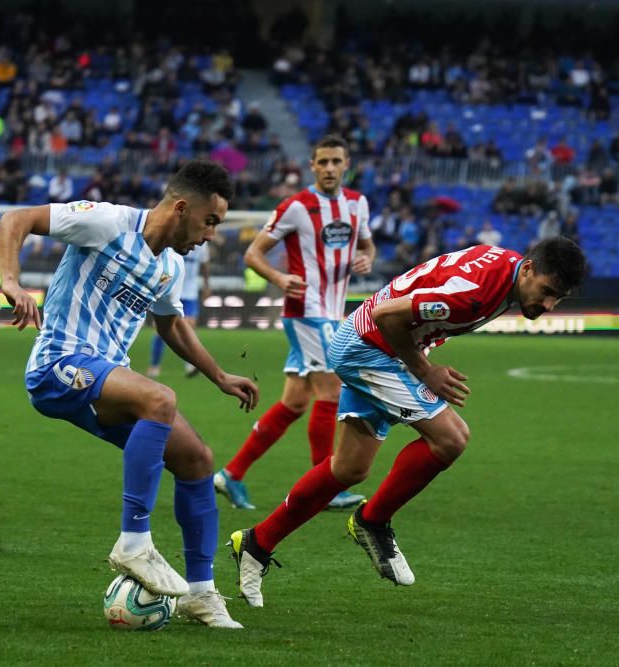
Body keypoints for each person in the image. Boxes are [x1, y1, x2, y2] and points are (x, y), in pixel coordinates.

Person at [228, 237, 586, 607]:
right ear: (527, 268)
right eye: (546, 292)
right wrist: (425, 370)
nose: (547, 305)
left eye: (557, 298)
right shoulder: (476, 292)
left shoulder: (506, 267)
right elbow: (388, 316)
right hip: (370, 349)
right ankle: (372, 521)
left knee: (349, 468)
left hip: (373, 340)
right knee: (451, 438)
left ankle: (256, 542)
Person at [0, 160, 259, 629]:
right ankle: (134, 541)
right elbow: (16, 219)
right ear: (181, 208)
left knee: (197, 458)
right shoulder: (106, 221)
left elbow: (171, 323)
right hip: (58, 364)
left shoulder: (171, 265)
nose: (212, 234)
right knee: (159, 399)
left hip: (106, 378)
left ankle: (200, 593)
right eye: (210, 221)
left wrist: (219, 375)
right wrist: (11, 280)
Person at [214, 135, 376, 511]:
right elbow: (253, 254)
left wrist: (366, 258)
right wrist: (280, 279)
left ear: (346, 164)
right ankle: (326, 485)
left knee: (296, 401)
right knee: (331, 392)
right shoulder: (296, 206)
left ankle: (231, 475)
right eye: (323, 162)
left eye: (337, 161)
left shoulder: (358, 204)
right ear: (313, 166)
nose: (330, 168)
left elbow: (368, 246)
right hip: (306, 308)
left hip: (331, 310)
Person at [146, 242, 210, 378]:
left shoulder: (202, 244)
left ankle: (190, 364)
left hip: (190, 292)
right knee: (162, 328)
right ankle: (154, 365)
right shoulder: (173, 240)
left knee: (189, 325)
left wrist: (206, 285)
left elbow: (204, 264)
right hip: (170, 289)